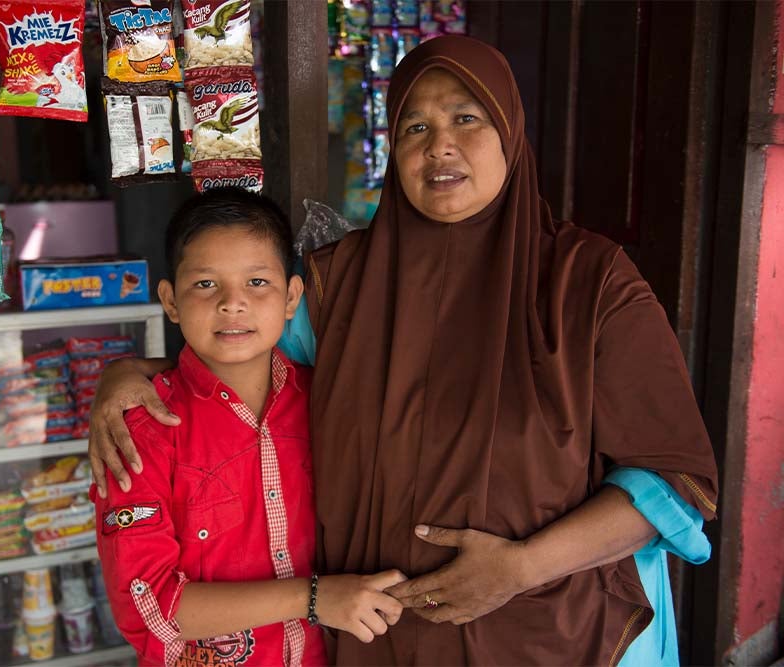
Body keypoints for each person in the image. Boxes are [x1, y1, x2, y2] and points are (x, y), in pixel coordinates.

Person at [89, 36, 719, 666]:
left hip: (550, 631)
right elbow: (239, 339)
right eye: (415, 125)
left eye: (466, 119)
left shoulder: (588, 284)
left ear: (510, 133)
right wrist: (128, 375)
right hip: (380, 640)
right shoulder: (342, 285)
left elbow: (671, 479)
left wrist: (520, 568)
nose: (438, 144)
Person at [90, 188, 405, 667]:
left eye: (257, 281)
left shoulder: (330, 402)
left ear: (292, 297)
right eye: (205, 285)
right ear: (171, 301)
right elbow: (149, 606)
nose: (232, 303)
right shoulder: (143, 429)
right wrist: (314, 598)